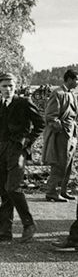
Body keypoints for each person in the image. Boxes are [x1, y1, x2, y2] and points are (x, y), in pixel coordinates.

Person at [0, 72, 44, 243]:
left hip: (16, 149)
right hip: (0, 149)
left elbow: (40, 124)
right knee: (4, 190)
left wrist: (25, 143)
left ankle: (28, 223)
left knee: (12, 187)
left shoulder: (24, 102)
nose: (8, 89)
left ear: (15, 86)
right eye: (4, 86)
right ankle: (4, 230)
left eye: (11, 86)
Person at [42, 70, 78, 202]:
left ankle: (63, 190)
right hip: (62, 135)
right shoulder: (58, 93)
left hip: (71, 134)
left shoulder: (71, 94)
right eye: (76, 79)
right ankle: (52, 192)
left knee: (68, 164)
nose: (77, 82)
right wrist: (61, 129)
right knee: (60, 163)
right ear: (69, 79)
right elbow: (50, 116)